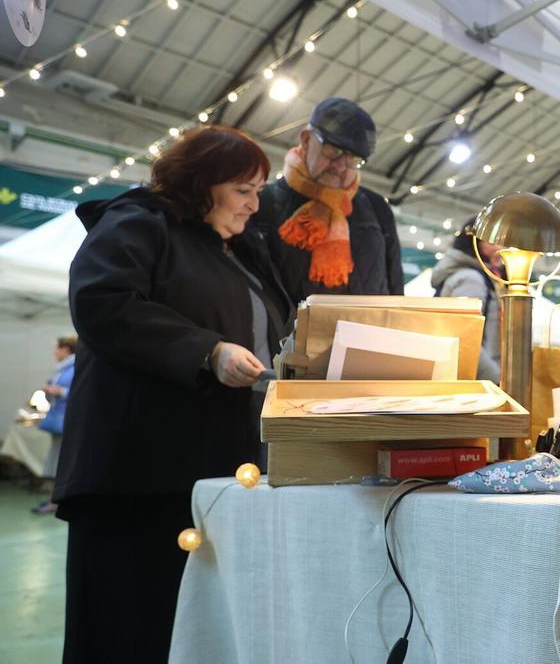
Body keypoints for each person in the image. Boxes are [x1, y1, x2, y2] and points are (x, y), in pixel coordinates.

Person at [53, 126, 293, 662]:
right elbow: (103, 301)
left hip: (210, 473)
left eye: (258, 191)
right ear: (202, 182)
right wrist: (207, 351)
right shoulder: (140, 222)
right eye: (244, 190)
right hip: (139, 477)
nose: (256, 205)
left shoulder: (241, 254)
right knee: (129, 626)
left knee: (188, 628)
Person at [252, 97, 405, 307]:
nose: (341, 166)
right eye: (334, 150)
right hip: (290, 339)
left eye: (353, 159)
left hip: (366, 337)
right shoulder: (261, 203)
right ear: (306, 140)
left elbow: (395, 289)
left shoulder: (376, 207)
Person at [430, 219, 502, 383]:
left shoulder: (478, 276)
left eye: (501, 241)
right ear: (473, 242)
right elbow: (464, 338)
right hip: (476, 380)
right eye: (491, 241)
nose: (499, 248)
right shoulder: (472, 279)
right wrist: (496, 378)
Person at [31, 335, 76, 515]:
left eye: (57, 348)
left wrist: (60, 391)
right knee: (56, 461)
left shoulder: (74, 368)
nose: (55, 352)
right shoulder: (62, 370)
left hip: (66, 420)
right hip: (59, 419)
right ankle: (53, 499)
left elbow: (78, 392)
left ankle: (56, 501)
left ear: (66, 349)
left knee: (61, 462)